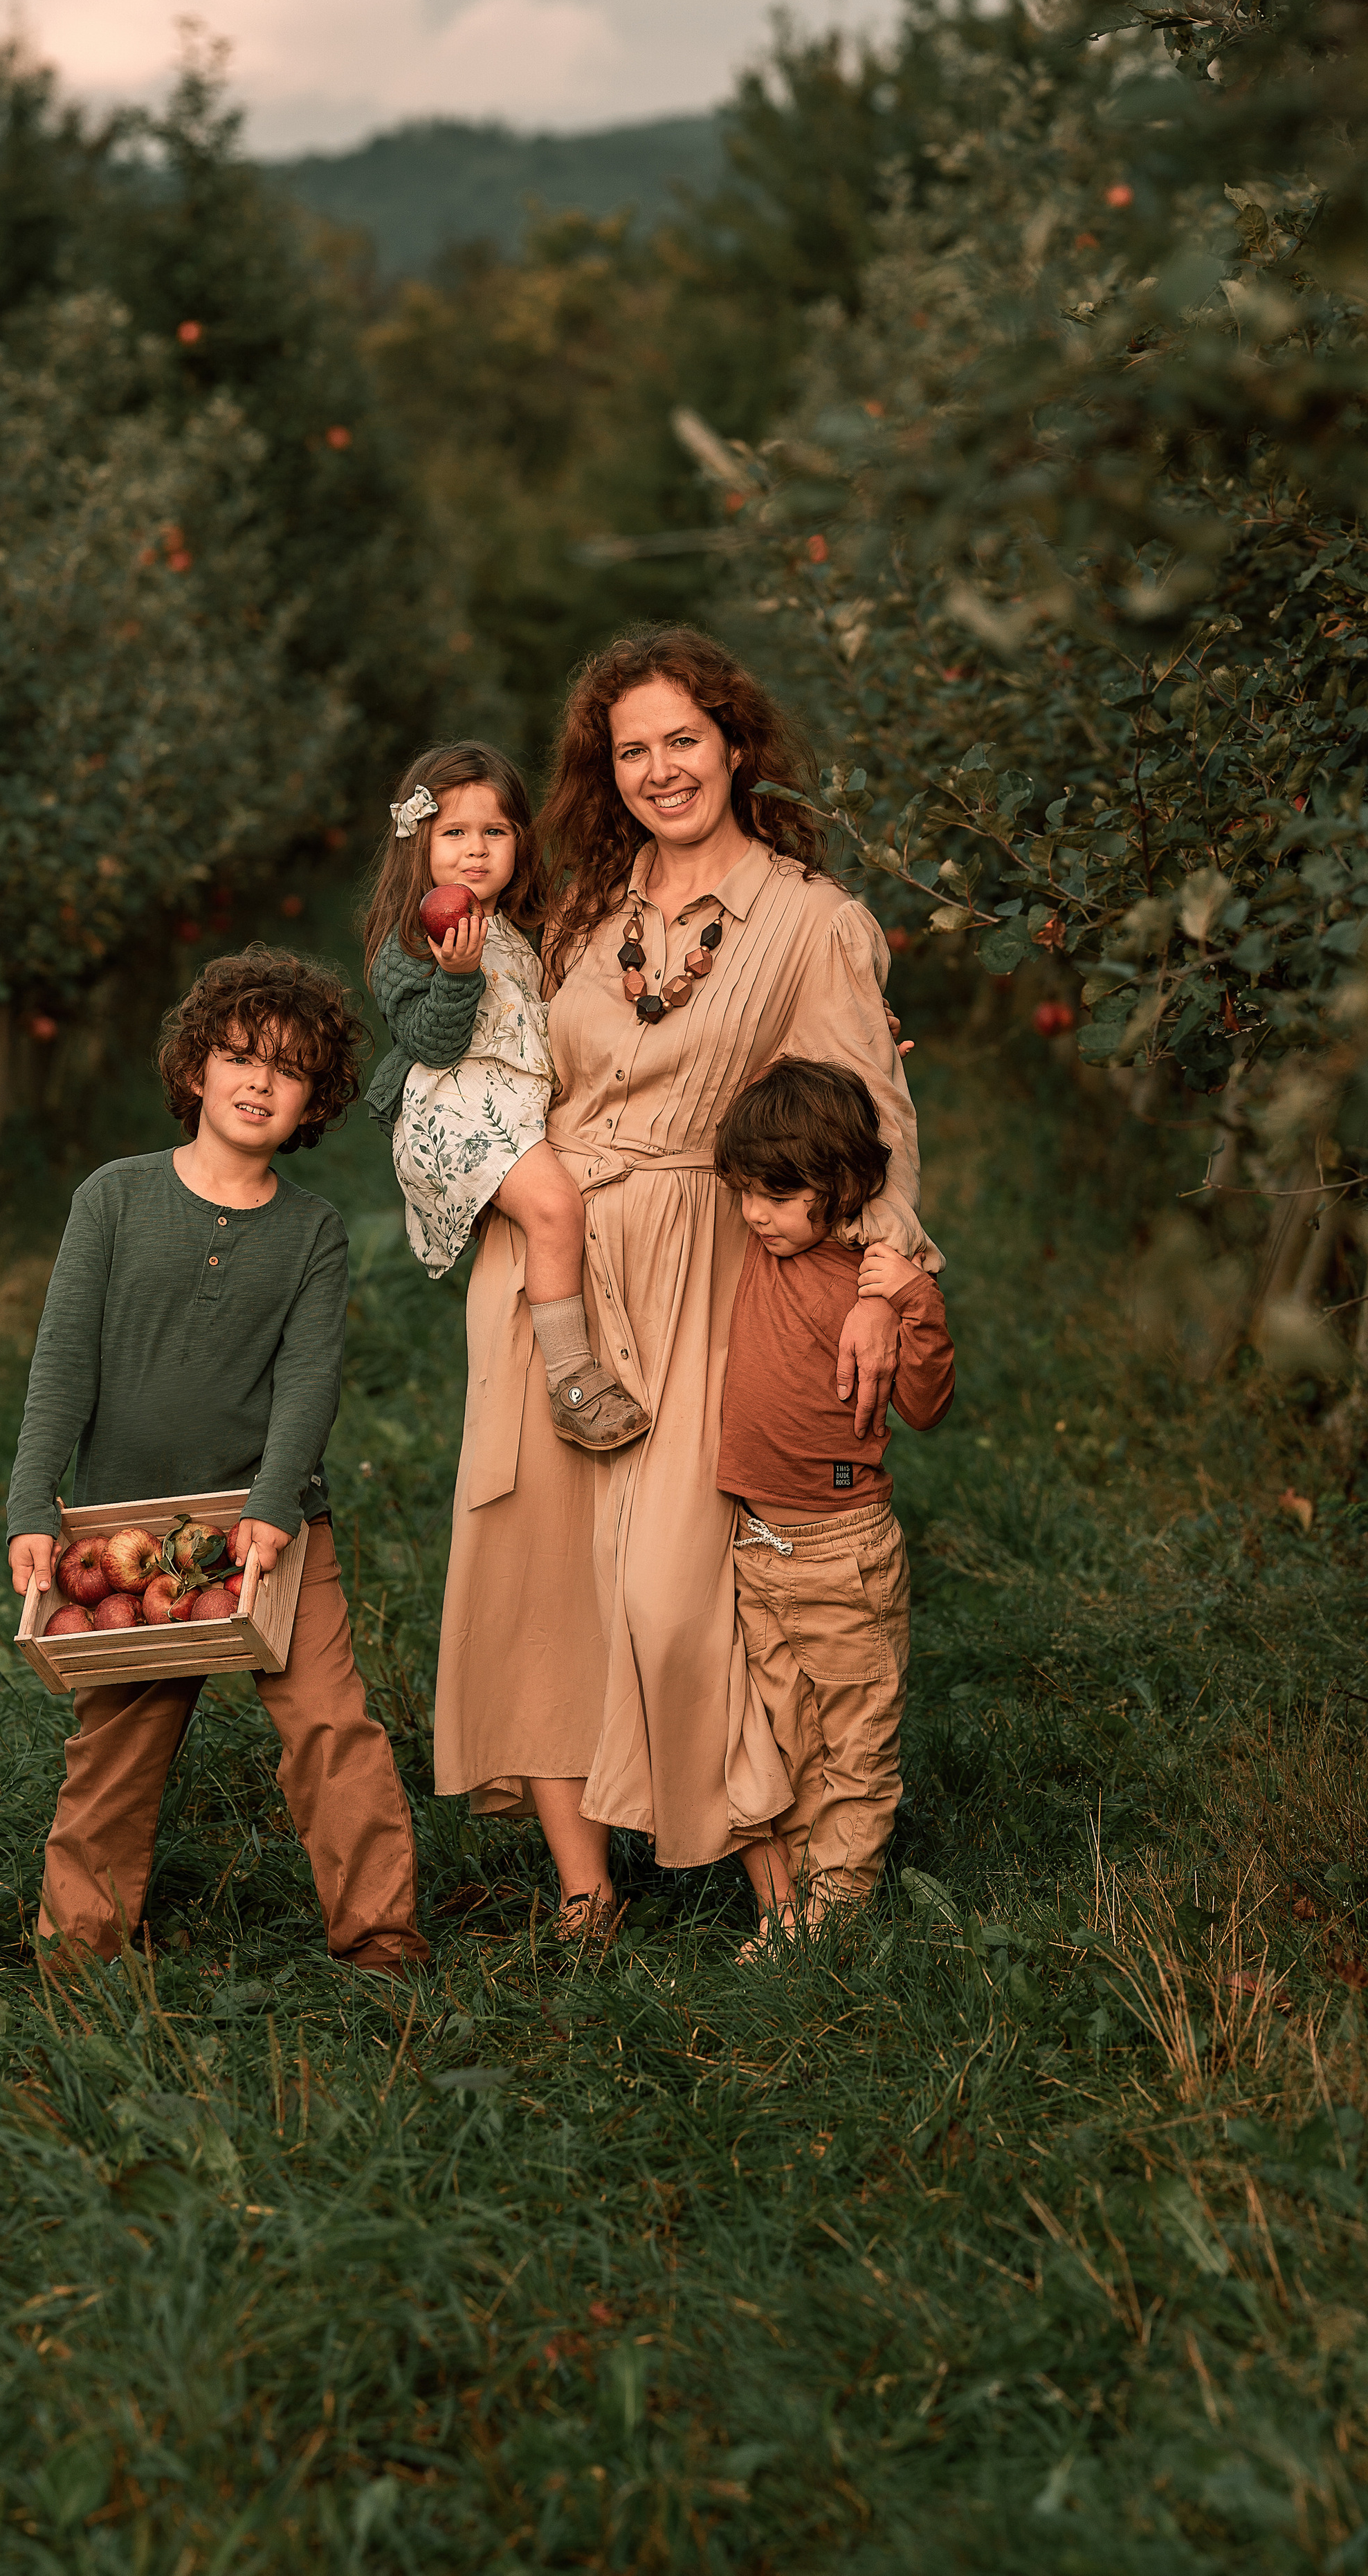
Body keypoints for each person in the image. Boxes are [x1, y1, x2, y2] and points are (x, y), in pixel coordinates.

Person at [433, 624, 941, 1939]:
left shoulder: (811, 922)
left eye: (683, 741)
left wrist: (884, 1283)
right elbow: (496, 1073)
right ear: (607, 773)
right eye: (631, 750)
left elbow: (871, 1121)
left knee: (677, 1594)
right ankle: (586, 1887)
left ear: (734, 747)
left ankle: (777, 1866)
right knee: (538, 1576)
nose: (661, 770)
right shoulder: (581, 914)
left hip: (700, 1268)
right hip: (547, 1268)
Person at [4, 946, 430, 1980]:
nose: (257, 1080)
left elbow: (308, 1379)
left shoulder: (312, 1233)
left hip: (266, 1521)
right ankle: (81, 1949)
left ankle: (381, 1937)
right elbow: (62, 1357)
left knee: (331, 1723)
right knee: (118, 1751)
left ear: (311, 1103)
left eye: (286, 1071)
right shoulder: (113, 1199)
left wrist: (276, 1502)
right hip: (130, 1530)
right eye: (239, 1055)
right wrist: (32, 1502)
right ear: (195, 1068)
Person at [713, 1056, 954, 1952]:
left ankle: (833, 1917)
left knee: (856, 1734)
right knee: (788, 1736)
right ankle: (806, 1898)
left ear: (843, 1186)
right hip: (753, 1542)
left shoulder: (873, 1281)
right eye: (744, 1193)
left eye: (777, 1197)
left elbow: (927, 1406)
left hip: (841, 1546)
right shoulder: (753, 1245)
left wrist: (911, 1298)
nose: (754, 1214)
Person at [362, 740, 648, 1451]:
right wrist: (456, 975)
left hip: (511, 1105)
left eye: (495, 832)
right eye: (454, 833)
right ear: (419, 844)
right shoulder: (408, 944)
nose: (476, 851)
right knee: (556, 1209)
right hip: (453, 1113)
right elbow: (434, 1045)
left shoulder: (524, 928)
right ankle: (572, 1381)